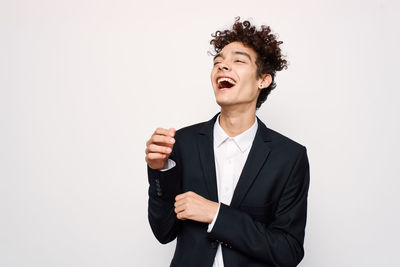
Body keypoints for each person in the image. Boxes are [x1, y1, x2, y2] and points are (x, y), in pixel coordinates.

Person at [145, 17, 310, 267]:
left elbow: (287, 251)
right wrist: (159, 171)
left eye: (238, 61)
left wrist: (217, 214)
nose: (223, 67)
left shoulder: (289, 157)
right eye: (218, 62)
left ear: (262, 80)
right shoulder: (182, 143)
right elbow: (163, 232)